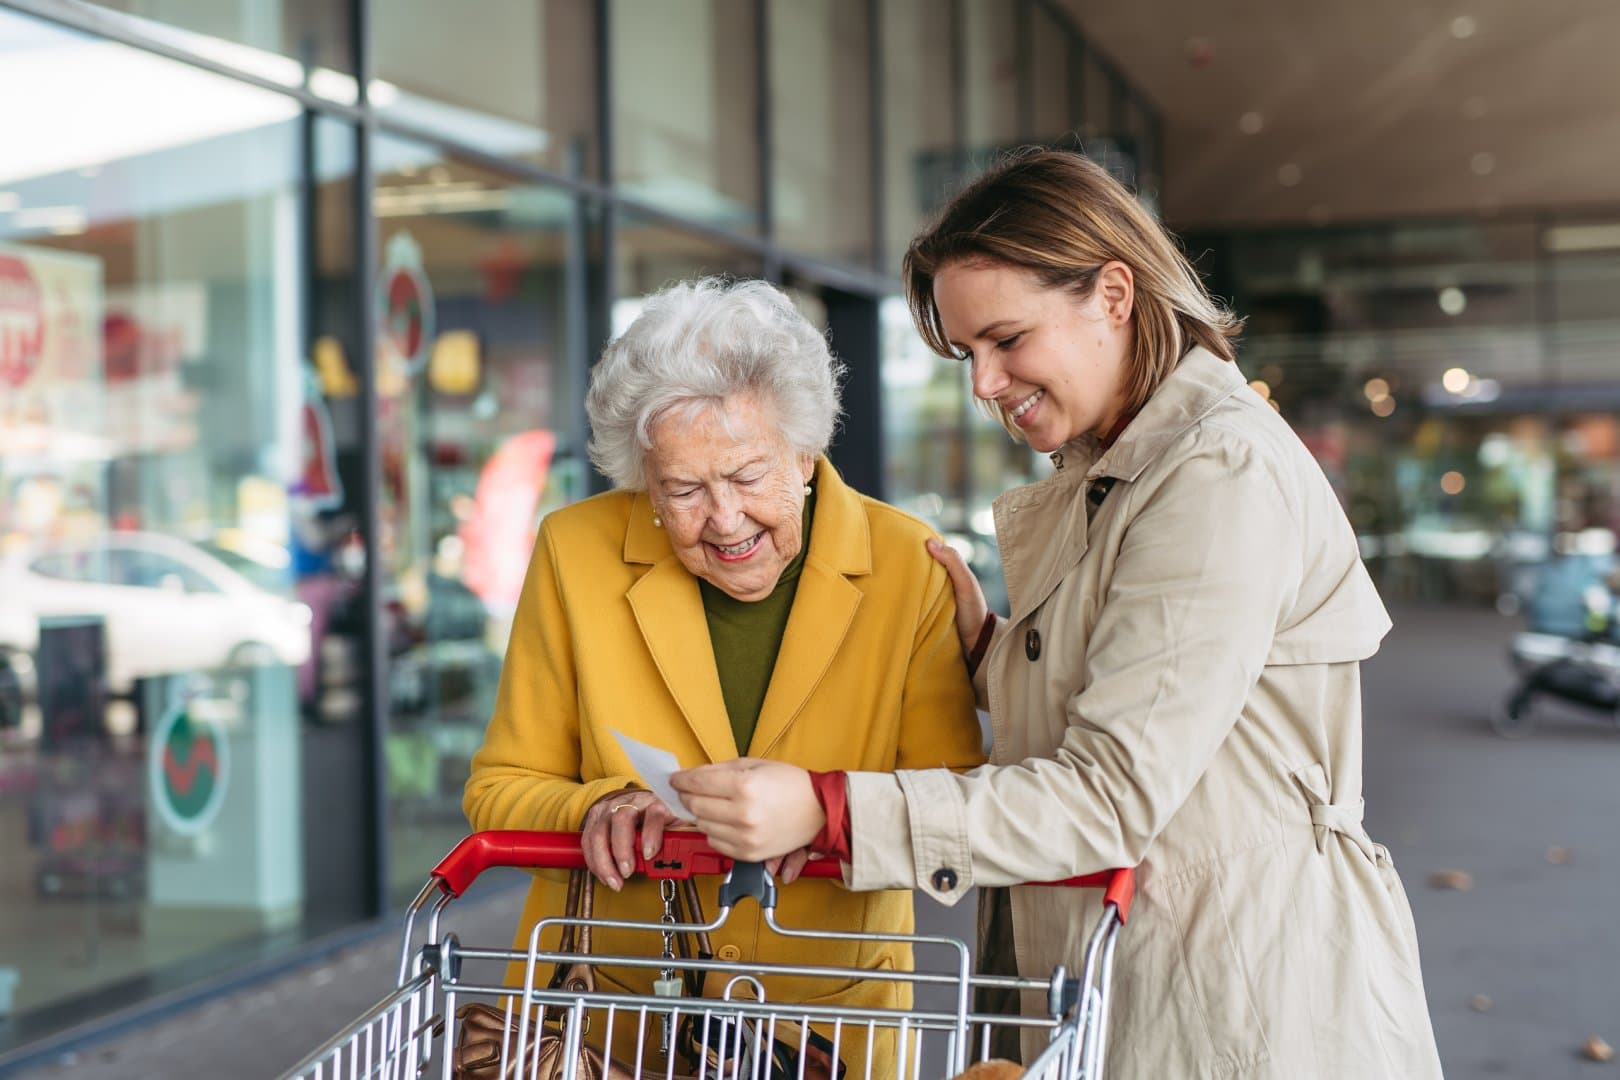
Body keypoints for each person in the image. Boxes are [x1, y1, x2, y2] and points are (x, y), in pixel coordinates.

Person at [671, 150, 1445, 1079]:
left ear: (1113, 295)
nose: (984, 384)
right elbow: (1167, 695)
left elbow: (1112, 791)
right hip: (1141, 972)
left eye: (1006, 340)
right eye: (968, 354)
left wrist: (831, 812)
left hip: (1234, 1001)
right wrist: (992, 653)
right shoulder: (1123, 467)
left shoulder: (1214, 475)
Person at [462, 276, 985, 1073]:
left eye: (747, 477)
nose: (726, 519)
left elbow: (951, 802)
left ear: (806, 456)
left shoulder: (907, 568)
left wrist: (821, 813)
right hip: (612, 1023)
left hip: (826, 1029)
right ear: (644, 479)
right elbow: (499, 787)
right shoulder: (575, 553)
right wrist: (598, 805)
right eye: (683, 490)